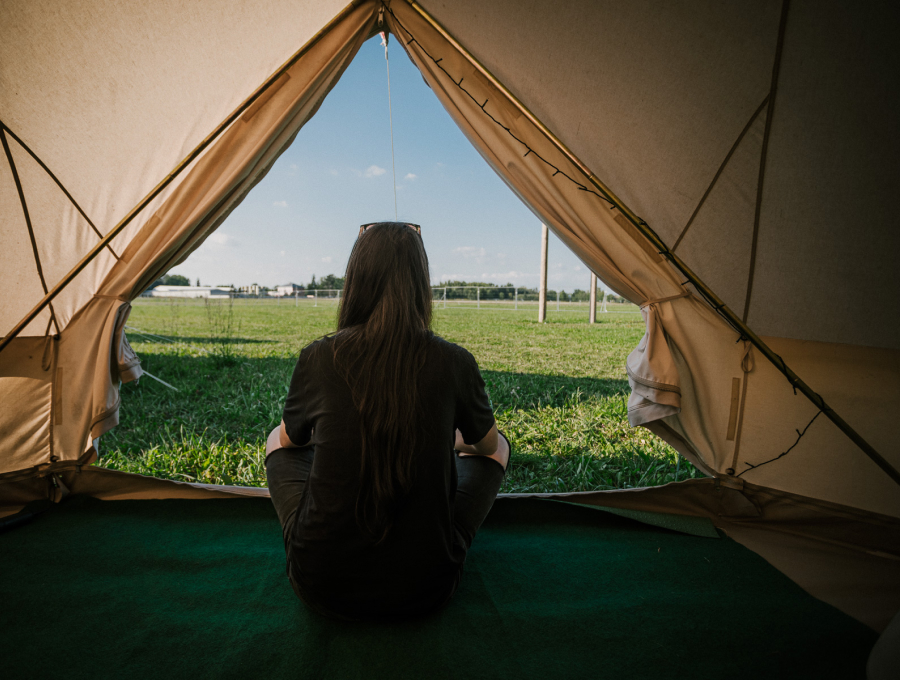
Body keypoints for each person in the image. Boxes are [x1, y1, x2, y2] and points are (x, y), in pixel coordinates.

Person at [264, 222, 510, 622]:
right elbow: (485, 447)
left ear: (357, 278)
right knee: (500, 446)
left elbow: (291, 443)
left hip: (319, 586)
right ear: (421, 282)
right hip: (426, 591)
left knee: (278, 439)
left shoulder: (319, 357)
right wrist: (449, 444)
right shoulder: (453, 360)